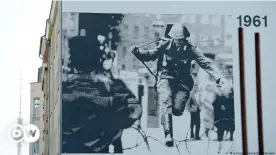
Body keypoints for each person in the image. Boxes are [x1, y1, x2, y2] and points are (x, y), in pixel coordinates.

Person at [131, 23, 227, 147]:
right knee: (166, 102)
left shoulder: (192, 49)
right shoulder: (165, 45)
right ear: (172, 38)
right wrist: (138, 52)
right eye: (177, 40)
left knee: (177, 110)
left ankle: (174, 114)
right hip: (166, 78)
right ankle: (168, 135)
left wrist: (218, 77)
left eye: (182, 40)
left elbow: (205, 63)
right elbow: (151, 55)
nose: (179, 42)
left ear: (185, 39)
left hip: (183, 82)